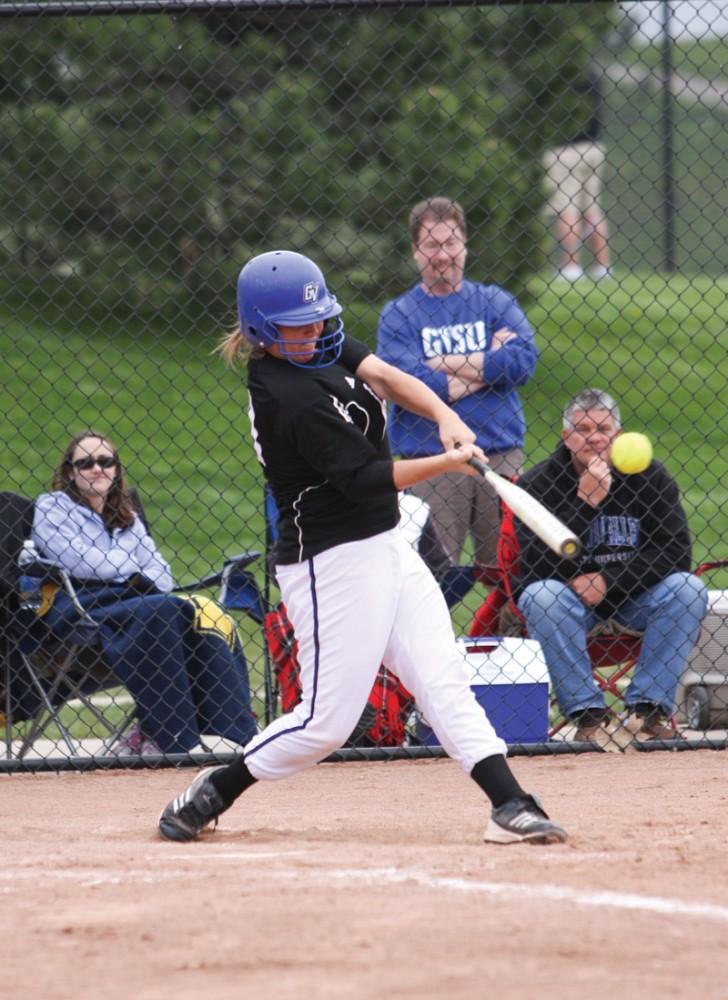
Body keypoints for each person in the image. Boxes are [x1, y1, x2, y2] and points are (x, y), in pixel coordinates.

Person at [158, 249, 567, 846]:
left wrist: (441, 413)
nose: (315, 332)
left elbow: (381, 375)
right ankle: (216, 789)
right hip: (331, 562)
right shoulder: (284, 396)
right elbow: (367, 479)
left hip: (387, 543)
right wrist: (449, 460)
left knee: (442, 678)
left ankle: (510, 804)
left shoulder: (318, 344)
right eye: (297, 328)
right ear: (262, 333)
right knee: (326, 723)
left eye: (319, 319)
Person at [31, 431, 259, 756]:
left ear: (116, 469)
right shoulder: (53, 507)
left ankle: (235, 734)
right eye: (86, 462)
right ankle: (178, 740)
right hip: (81, 607)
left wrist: (124, 571)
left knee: (202, 608)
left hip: (134, 603)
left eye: (105, 461)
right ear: (69, 471)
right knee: (162, 610)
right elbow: (79, 564)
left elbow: (161, 576)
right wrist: (132, 569)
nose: (97, 469)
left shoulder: (126, 517)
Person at [514, 389, 708, 743]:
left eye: (602, 428)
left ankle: (645, 712)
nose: (594, 437)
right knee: (541, 596)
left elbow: (676, 552)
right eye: (582, 429)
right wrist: (585, 504)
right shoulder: (538, 483)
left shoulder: (649, 476)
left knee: (688, 589)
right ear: (565, 437)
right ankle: (589, 717)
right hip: (570, 603)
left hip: (636, 600)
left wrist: (608, 579)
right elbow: (534, 567)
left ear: (618, 435)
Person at [376, 196, 537, 567]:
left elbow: (522, 362)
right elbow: (409, 384)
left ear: (464, 245)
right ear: (416, 251)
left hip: (498, 454)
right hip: (430, 460)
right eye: (432, 245)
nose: (443, 255)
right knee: (428, 574)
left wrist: (442, 364)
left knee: (510, 569)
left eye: (451, 243)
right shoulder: (399, 315)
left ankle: (505, 629)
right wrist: (487, 366)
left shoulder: (494, 301)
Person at [542, 67, 611, 282]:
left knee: (566, 209)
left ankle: (571, 266)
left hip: (565, 149)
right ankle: (603, 267)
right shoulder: (591, 73)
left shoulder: (558, 74)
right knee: (591, 210)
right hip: (593, 146)